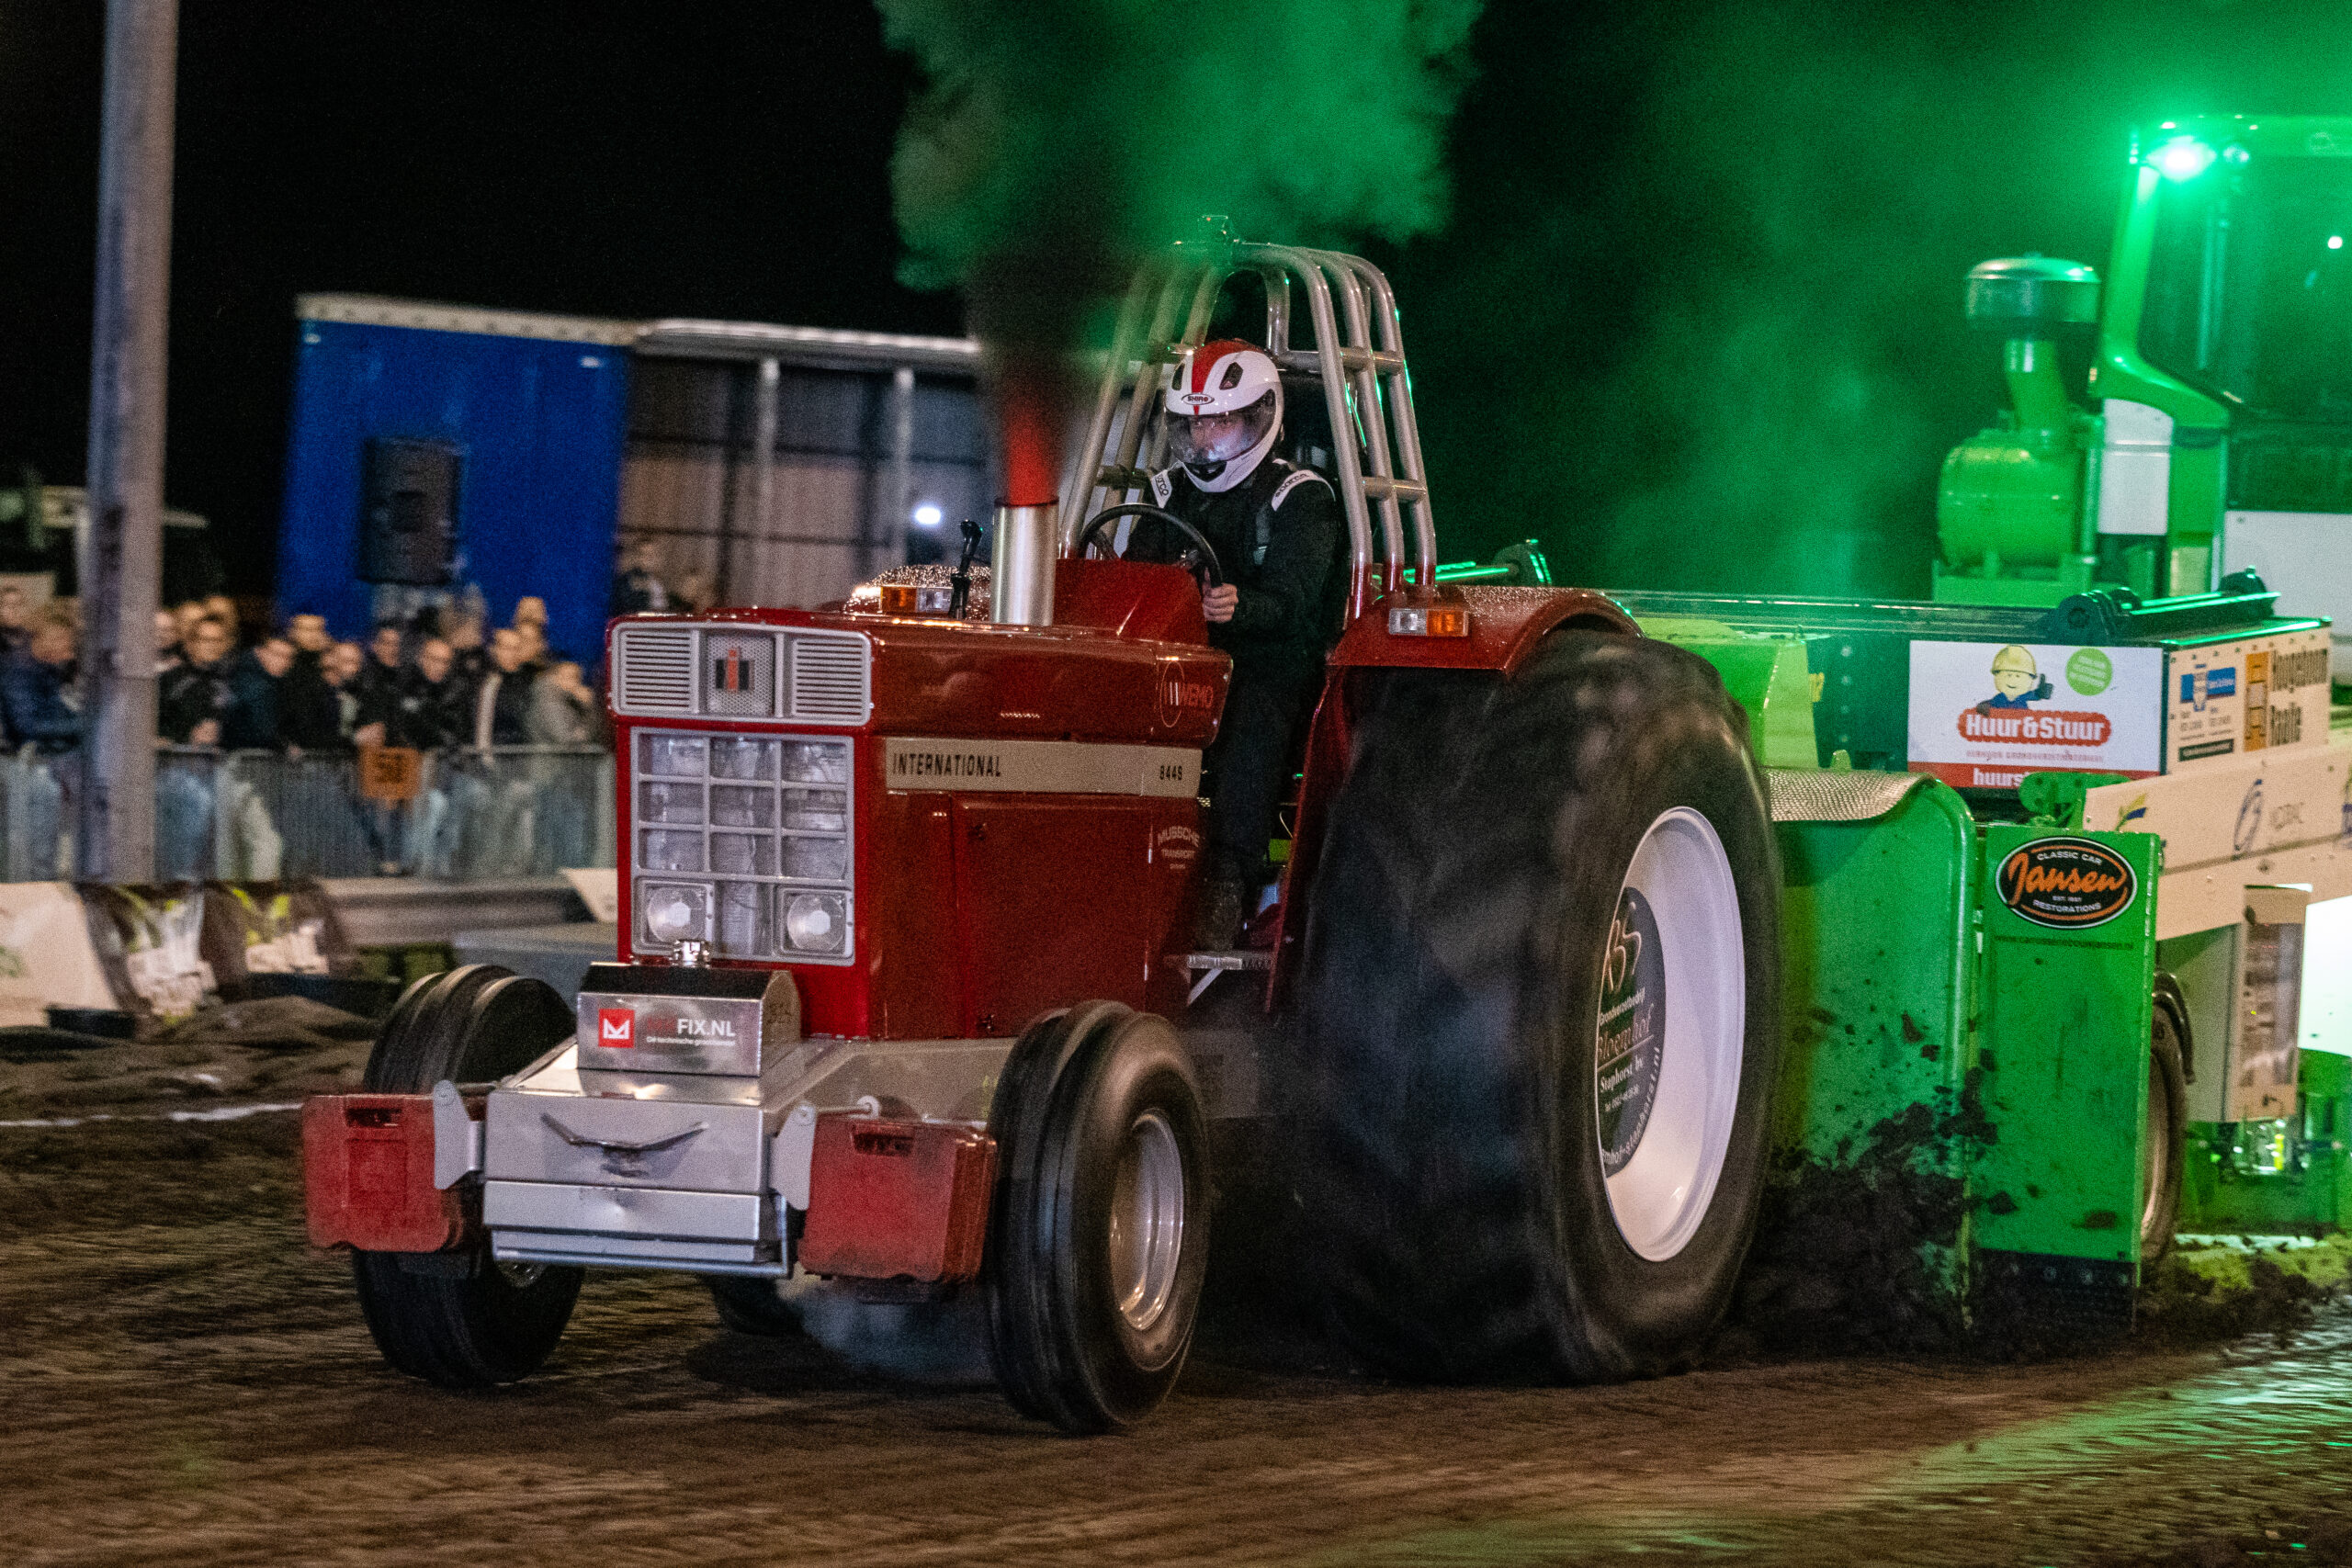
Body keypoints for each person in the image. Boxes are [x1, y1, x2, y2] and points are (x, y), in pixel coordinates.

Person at [1146, 339, 1345, 947]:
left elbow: (1296, 601)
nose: (1204, 439)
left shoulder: (1301, 496)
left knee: (1250, 711)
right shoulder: (1165, 492)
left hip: (1273, 660)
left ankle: (1227, 877)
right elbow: (1135, 573)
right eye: (1194, 425)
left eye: (1220, 422)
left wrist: (1239, 606)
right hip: (1183, 656)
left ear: (1261, 418)